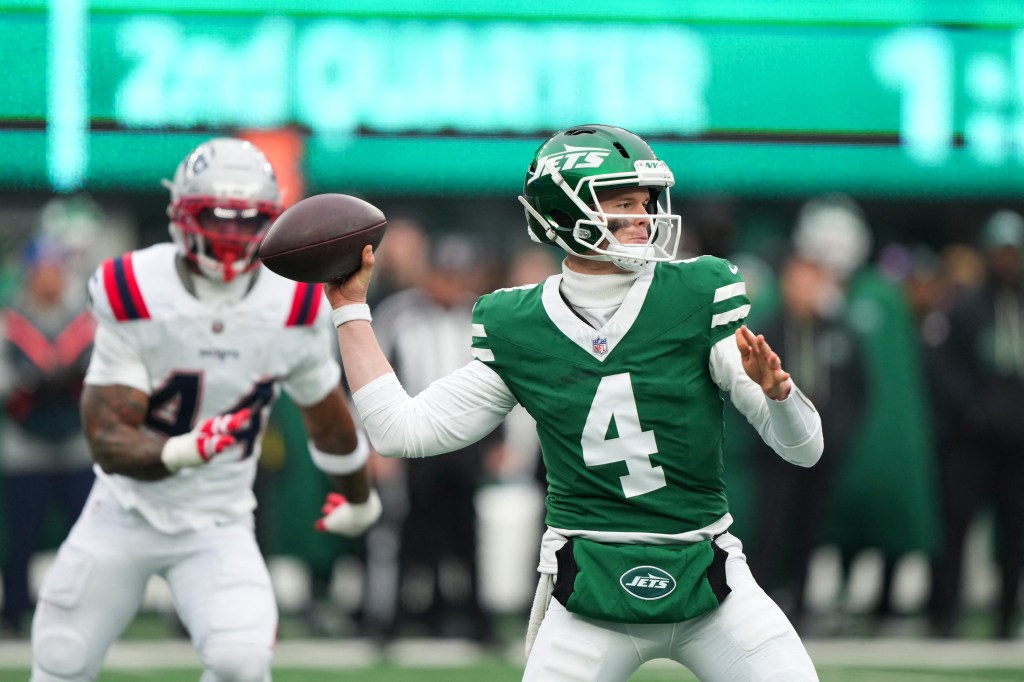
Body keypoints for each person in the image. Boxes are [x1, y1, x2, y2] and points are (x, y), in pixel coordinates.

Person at [325, 124, 823, 680]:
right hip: (588, 588)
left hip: (708, 573)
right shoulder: (520, 324)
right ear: (565, 211)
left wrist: (779, 395)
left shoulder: (695, 293)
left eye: (647, 201)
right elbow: (401, 431)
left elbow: (804, 450)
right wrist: (349, 310)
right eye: (624, 202)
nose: (645, 216)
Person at [29, 137, 381, 682]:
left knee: (242, 662)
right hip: (125, 510)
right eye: (214, 218)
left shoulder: (291, 300)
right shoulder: (133, 287)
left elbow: (326, 415)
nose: (229, 236)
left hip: (219, 519)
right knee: (61, 657)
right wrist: (183, 450)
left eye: (246, 221)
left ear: (271, 223)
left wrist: (360, 496)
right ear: (179, 215)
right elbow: (105, 436)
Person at [360, 233, 499, 644]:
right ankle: (391, 618)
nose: (450, 285)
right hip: (413, 439)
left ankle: (474, 618)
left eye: (457, 276)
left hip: (467, 440)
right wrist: (373, 441)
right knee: (406, 531)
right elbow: (369, 376)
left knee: (466, 532)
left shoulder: (482, 314)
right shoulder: (397, 314)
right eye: (443, 275)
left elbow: (501, 378)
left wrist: (498, 440)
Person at [929, 210, 1024, 639]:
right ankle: (945, 614)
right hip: (972, 442)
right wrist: (975, 412)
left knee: (1014, 531)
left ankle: (1007, 616)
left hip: (1016, 444)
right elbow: (943, 368)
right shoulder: (965, 309)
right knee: (956, 527)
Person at [0, 237, 95, 637]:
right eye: (44, 270)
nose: (50, 279)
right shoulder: (12, 322)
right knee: (21, 536)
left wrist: (75, 378)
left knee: (89, 537)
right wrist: (29, 384)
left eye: (56, 270)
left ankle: (91, 612)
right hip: (27, 443)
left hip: (75, 442)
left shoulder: (84, 320)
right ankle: (15, 612)